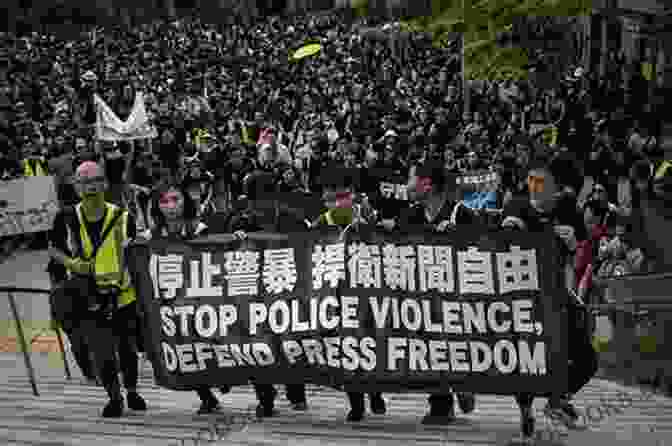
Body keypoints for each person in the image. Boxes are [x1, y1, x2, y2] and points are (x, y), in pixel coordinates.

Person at [501, 153, 599, 437]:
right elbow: (503, 237)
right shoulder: (516, 206)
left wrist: (573, 245)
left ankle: (559, 398)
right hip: (524, 298)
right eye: (530, 179)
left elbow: (578, 253)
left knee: (587, 359)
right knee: (529, 359)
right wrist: (513, 231)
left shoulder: (568, 208)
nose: (534, 186)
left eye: (540, 181)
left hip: (558, 292)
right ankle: (525, 410)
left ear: (555, 185)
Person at [48, 161, 147, 418]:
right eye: (84, 181)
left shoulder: (124, 217)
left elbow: (137, 254)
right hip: (88, 297)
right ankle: (114, 397)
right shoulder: (66, 217)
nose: (90, 186)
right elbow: (54, 250)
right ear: (76, 187)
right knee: (102, 352)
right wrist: (73, 264)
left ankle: (133, 390)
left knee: (127, 350)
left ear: (104, 183)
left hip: (123, 296)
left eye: (95, 180)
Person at [389, 161, 477, 425]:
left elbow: (485, 247)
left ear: (426, 184)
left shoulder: (461, 213)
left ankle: (462, 383)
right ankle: (440, 403)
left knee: (454, 348)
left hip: (459, 300)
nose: (407, 185)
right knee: (428, 347)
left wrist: (459, 236)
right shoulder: (410, 216)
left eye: (410, 179)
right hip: (421, 300)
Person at [226, 172, 308, 417]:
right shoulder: (239, 223)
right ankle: (265, 397)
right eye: (251, 201)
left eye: (260, 200)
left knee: (289, 343)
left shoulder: (293, 220)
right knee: (256, 345)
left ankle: (296, 392)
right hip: (253, 295)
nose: (254, 207)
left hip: (287, 291)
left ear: (273, 199)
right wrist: (236, 240)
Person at [309, 165, 386, 422]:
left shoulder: (368, 218)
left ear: (352, 194)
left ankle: (375, 392)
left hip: (367, 293)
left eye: (343, 195)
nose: (338, 201)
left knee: (370, 346)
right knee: (346, 349)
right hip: (337, 297)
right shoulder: (320, 224)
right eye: (332, 196)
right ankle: (356, 404)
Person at [147, 186, 231, 414]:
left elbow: (218, 255)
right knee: (186, 353)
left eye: (175, 199)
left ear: (185, 201)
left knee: (219, 346)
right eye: (164, 200)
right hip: (174, 305)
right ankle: (206, 397)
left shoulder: (201, 229)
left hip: (206, 301)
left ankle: (235, 381)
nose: (170, 205)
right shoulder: (151, 235)